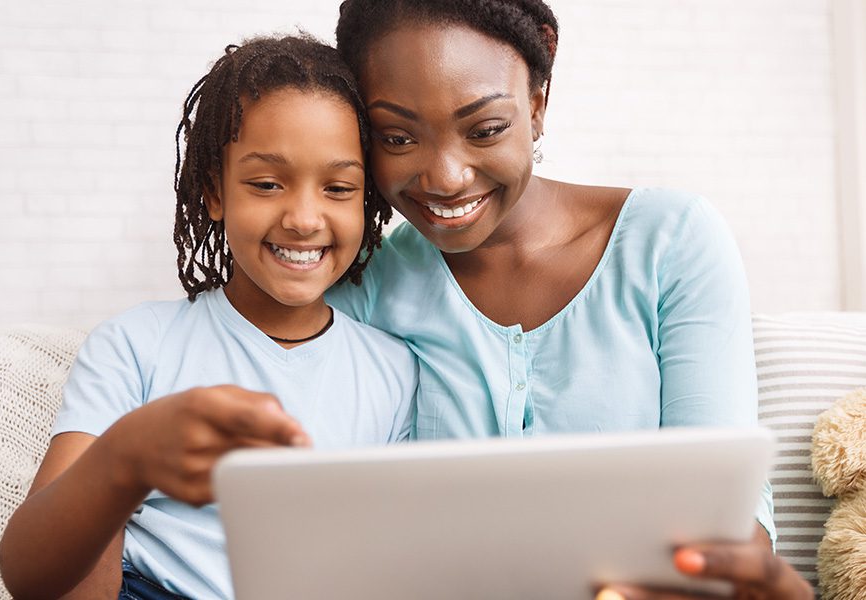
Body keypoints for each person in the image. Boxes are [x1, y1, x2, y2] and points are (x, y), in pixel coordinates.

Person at [327, 1, 814, 598]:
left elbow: (730, 520)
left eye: (485, 130)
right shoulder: (365, 285)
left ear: (536, 105)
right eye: (398, 137)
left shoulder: (672, 241)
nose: (446, 177)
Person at [0, 34, 416, 600]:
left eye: (338, 188)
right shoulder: (137, 344)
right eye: (267, 184)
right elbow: (29, 575)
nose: (303, 218)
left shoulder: (392, 370)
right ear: (215, 192)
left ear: (366, 203)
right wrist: (128, 458)